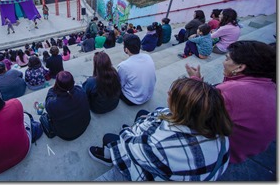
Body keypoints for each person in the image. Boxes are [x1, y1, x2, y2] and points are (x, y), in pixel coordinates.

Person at [88, 77, 232, 181]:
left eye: (171, 94)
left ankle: (107, 157)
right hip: (174, 166)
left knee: (109, 138)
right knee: (143, 114)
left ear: (181, 108)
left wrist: (131, 130)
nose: (168, 94)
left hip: (151, 168)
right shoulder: (222, 136)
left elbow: (128, 141)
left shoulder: (159, 144)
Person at [184, 40, 276, 164]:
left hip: (227, 152)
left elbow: (193, 108)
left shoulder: (232, 92)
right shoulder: (270, 85)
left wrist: (194, 81)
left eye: (227, 59)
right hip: (250, 148)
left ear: (240, 67)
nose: (223, 62)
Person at [43, 71, 91, 140]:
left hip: (66, 134)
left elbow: (48, 103)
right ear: (73, 82)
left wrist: (52, 89)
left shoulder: (52, 103)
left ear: (57, 84)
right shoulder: (81, 90)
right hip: (85, 124)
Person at [117, 34, 156, 105]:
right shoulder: (148, 57)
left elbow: (120, 84)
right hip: (149, 95)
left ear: (126, 49)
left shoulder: (123, 66)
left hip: (132, 99)